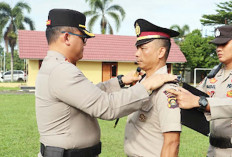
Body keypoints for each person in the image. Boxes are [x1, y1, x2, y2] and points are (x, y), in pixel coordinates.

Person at [36, 9, 178, 157]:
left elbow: (88, 95)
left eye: (143, 48)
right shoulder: (62, 70)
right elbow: (107, 106)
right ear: (66, 38)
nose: (85, 44)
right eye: (83, 38)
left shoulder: (52, 66)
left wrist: (120, 82)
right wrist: (146, 86)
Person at [167, 25, 232, 157]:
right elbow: (193, 94)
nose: (218, 49)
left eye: (224, 44)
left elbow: (198, 100)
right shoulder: (214, 75)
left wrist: (201, 102)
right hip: (213, 150)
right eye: (217, 45)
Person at [124, 19, 181, 157]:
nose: (136, 54)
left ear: (161, 52)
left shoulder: (167, 90)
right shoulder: (141, 83)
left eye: (143, 48)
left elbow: (172, 142)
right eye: (137, 48)